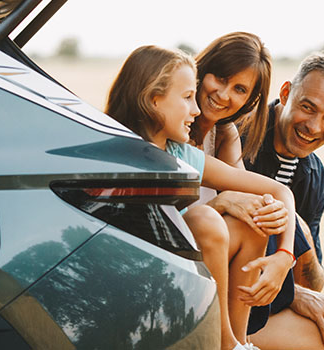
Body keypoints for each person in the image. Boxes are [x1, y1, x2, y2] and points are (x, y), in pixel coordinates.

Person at [190, 38, 324, 350]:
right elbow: (227, 227)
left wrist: (292, 262)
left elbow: (312, 277)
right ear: (285, 94)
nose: (313, 126)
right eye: (307, 107)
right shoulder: (238, 128)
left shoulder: (313, 174)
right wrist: (294, 280)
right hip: (222, 293)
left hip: (264, 301)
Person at [105, 45, 298, 350]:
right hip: (140, 281)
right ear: (154, 100)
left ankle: (239, 340)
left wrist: (285, 256)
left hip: (182, 268)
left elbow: (277, 190)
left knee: (254, 218)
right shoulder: (121, 155)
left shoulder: (182, 154)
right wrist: (215, 205)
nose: (195, 109)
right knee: (205, 218)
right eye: (186, 98)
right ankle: (225, 345)